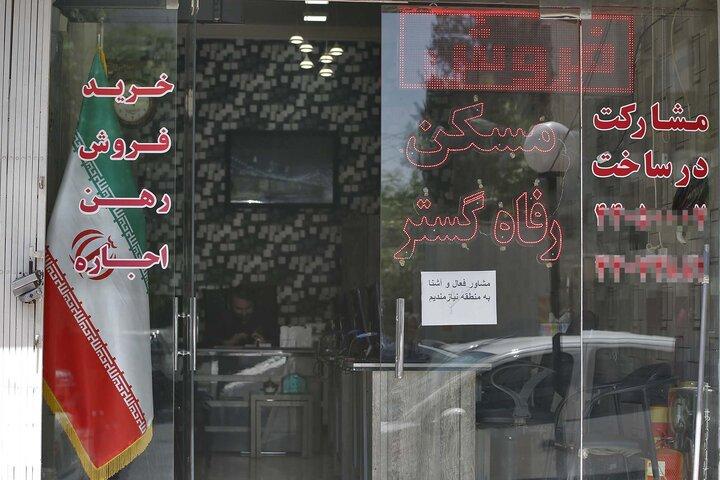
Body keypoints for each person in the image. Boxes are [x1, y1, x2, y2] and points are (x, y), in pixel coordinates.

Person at [204, 289, 268, 347]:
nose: (244, 313)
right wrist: (228, 343)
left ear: (254, 305)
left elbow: (272, 342)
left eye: (248, 308)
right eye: (239, 309)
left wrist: (264, 344)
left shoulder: (264, 319)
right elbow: (207, 345)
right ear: (230, 306)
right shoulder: (220, 320)